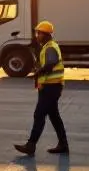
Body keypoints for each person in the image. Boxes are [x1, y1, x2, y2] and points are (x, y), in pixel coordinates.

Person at [15, 20, 69, 156]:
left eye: (39, 33)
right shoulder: (48, 46)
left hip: (51, 88)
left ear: (45, 34)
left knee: (39, 115)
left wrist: (39, 72)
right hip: (51, 87)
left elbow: (51, 63)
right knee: (54, 116)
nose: (37, 36)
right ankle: (63, 145)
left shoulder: (50, 47)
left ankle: (31, 145)